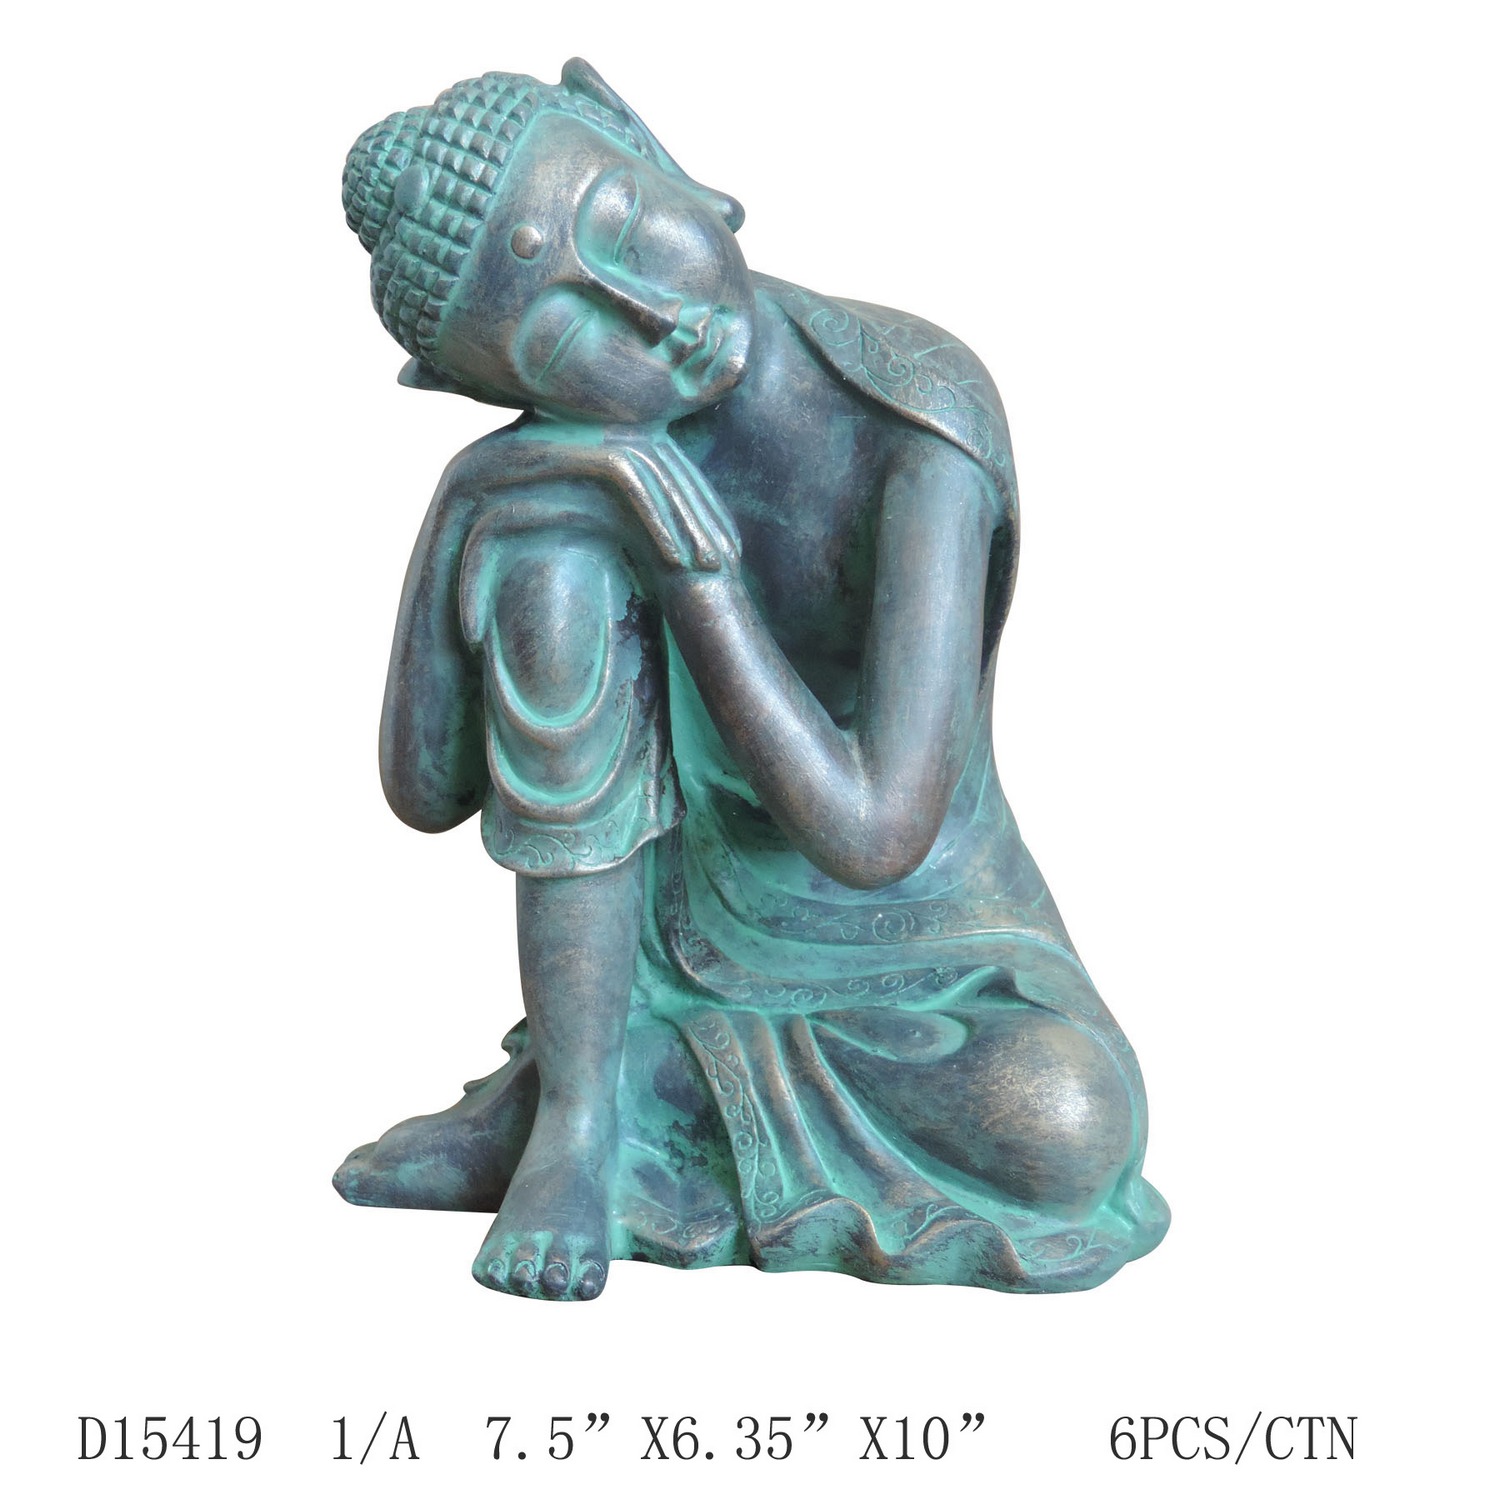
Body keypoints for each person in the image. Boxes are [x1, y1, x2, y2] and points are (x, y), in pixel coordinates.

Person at [334, 60, 1168, 1300]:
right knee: (554, 560)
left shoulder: (916, 417)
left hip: (919, 938)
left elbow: (877, 834)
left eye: (625, 225)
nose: (644, 314)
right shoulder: (572, 468)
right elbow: (423, 791)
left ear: (659, 150)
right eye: (559, 339)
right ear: (494, 389)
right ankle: (578, 1118)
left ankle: (616, 1085)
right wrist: (469, 496)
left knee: (1068, 1123)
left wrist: (699, 577)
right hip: (656, 922)